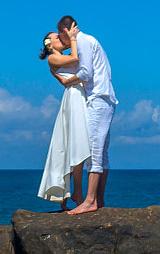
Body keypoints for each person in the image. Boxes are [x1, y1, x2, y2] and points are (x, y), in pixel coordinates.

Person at [54, 15, 114, 214]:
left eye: (61, 37)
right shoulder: (87, 41)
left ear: (65, 31)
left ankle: (90, 201)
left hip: (98, 100)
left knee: (94, 153)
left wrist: (66, 82)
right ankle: (98, 200)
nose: (65, 43)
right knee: (101, 155)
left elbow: (86, 73)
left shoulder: (83, 41)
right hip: (103, 100)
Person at [36, 31, 89, 208]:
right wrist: (73, 38)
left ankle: (73, 192)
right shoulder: (52, 59)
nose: (62, 38)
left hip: (79, 96)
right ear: (49, 45)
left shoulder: (63, 55)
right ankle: (76, 193)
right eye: (57, 37)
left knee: (78, 145)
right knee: (74, 144)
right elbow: (75, 59)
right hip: (73, 98)